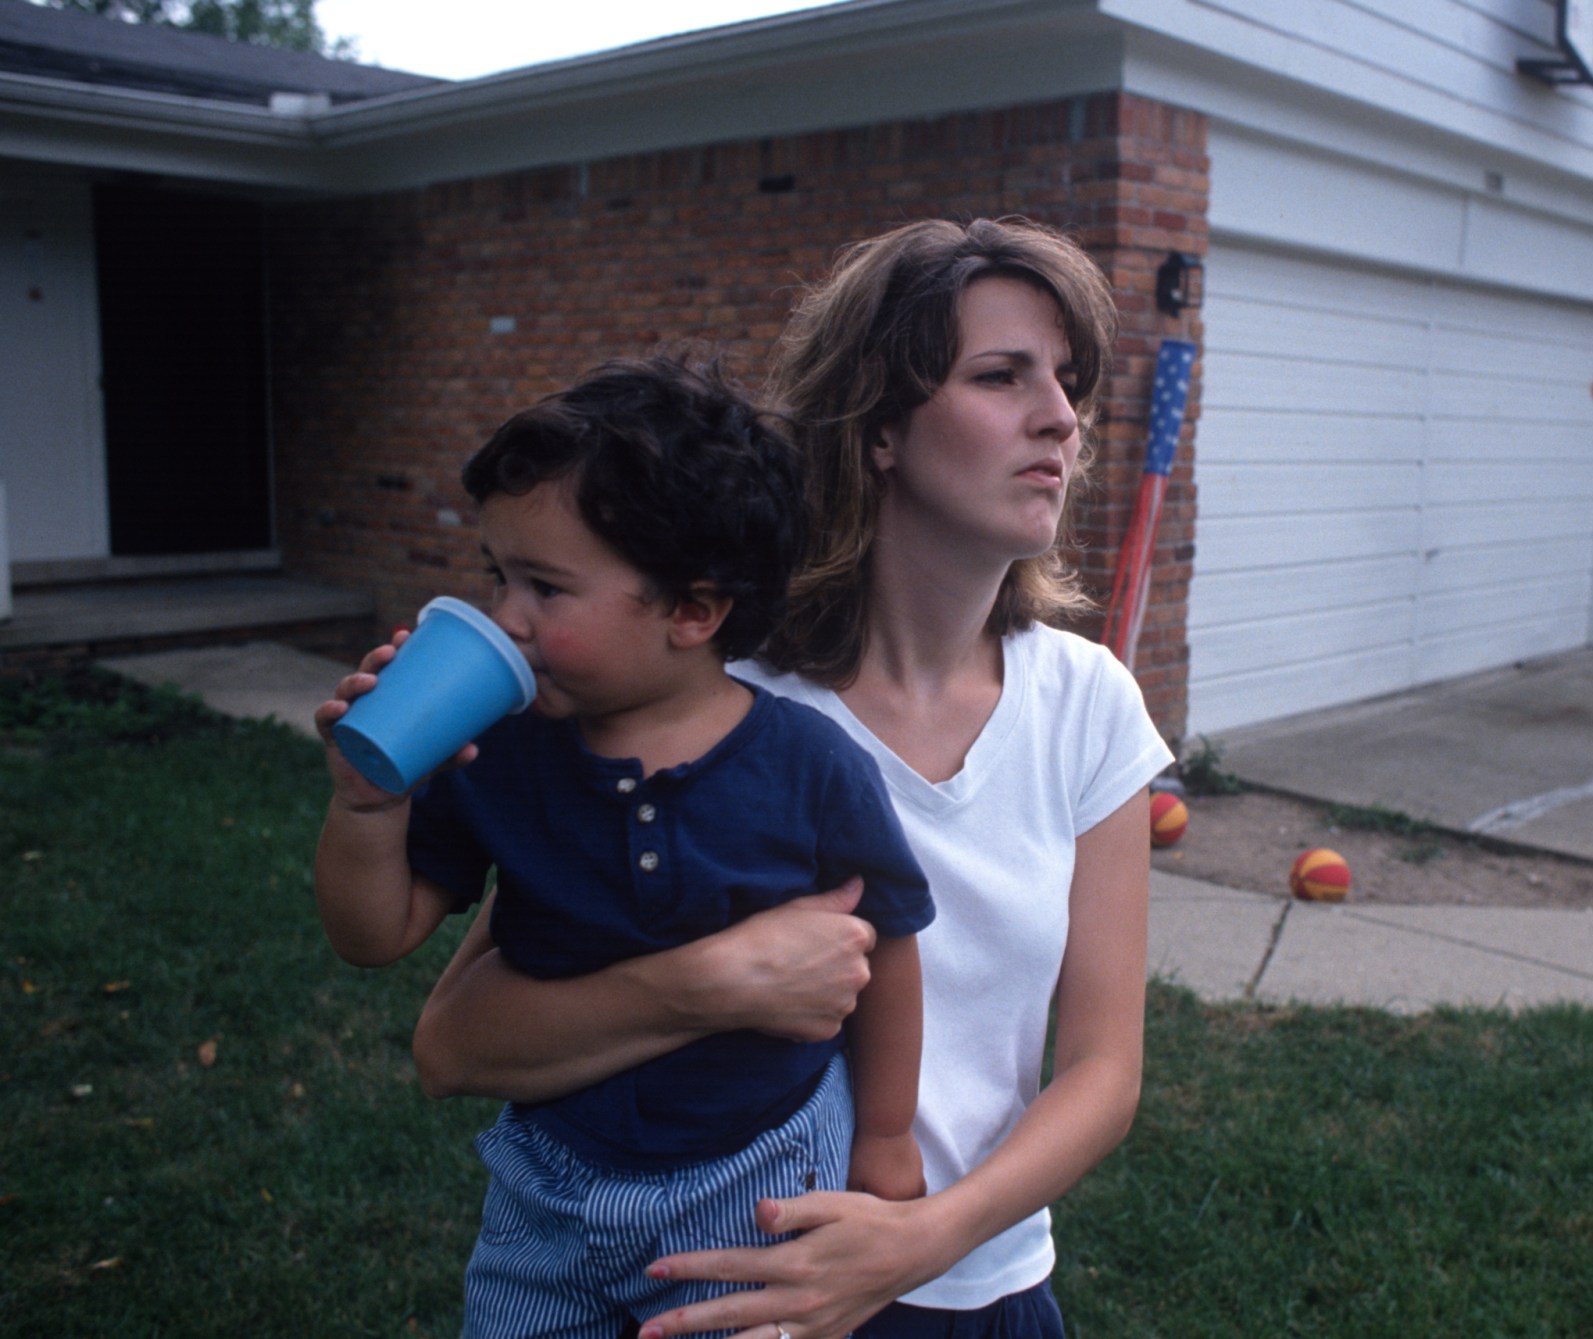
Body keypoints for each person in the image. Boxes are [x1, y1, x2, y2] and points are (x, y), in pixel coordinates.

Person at [411, 217, 1173, 1339]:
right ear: (877, 429)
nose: (1059, 417)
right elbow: (455, 1041)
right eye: (1000, 376)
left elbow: (1103, 1071)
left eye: (1066, 381)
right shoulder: (718, 707)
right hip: (736, 1291)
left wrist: (921, 1238)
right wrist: (711, 983)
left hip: (986, 1283)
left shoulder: (1087, 702)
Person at [312, 353, 935, 1337]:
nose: (504, 616)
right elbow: (372, 933)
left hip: (755, 1177)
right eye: (497, 576)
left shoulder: (808, 765)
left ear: (692, 610)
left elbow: (887, 938)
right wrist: (367, 802)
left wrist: (889, 1132)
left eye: (545, 589)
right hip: (547, 1184)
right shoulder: (496, 752)